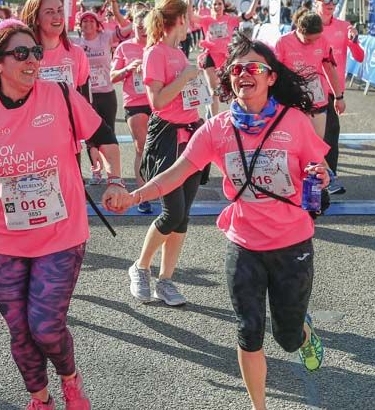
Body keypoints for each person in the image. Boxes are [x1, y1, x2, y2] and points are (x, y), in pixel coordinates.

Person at [111, 36, 330, 410]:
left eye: (254, 68)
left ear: (271, 77)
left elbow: (319, 167)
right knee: (249, 332)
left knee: (288, 337)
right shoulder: (217, 128)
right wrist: (135, 196)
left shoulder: (293, 121)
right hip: (243, 244)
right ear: (229, 78)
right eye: (238, 69)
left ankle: (303, 332)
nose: (245, 74)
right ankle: (258, 406)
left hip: (292, 242)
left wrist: (320, 174)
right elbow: (176, 173)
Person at [0, 19, 128, 410]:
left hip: (61, 232)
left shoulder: (59, 95)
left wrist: (116, 180)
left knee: (45, 326)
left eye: (35, 52)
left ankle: (70, 379)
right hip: (2, 236)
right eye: (20, 53)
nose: (31, 60)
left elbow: (103, 134)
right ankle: (40, 399)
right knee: (20, 331)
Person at [129, 0, 210, 307]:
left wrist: (194, 81)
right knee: (172, 211)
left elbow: (188, 94)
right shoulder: (155, 53)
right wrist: (185, 77)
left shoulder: (178, 52)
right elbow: (158, 103)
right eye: (187, 17)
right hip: (167, 138)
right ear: (178, 21)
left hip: (192, 135)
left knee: (183, 215)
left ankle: (166, 280)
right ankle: (140, 267)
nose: (190, 23)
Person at [71, 5, 132, 183]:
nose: (88, 24)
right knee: (90, 135)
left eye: (92, 21)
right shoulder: (75, 43)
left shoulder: (106, 37)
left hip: (106, 92)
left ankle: (112, 172)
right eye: (84, 21)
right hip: (85, 95)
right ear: (80, 25)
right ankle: (95, 172)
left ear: (98, 24)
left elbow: (128, 29)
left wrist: (119, 6)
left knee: (109, 133)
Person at [313, 0, 364, 189]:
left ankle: (330, 179)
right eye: (325, 0)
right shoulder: (309, 25)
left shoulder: (344, 27)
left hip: (334, 91)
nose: (330, 5)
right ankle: (313, 177)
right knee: (314, 137)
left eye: (334, 1)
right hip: (313, 90)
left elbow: (360, 57)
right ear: (316, 1)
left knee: (332, 136)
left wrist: (355, 40)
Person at [275, 10, 343, 141]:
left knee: (316, 143)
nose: (312, 43)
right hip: (291, 100)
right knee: (292, 142)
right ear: (299, 29)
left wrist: (338, 97)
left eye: (316, 39)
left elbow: (330, 69)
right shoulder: (283, 42)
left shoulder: (323, 41)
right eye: (308, 39)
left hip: (316, 99)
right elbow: (274, 74)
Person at [111, 10, 154, 213]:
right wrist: (128, 68)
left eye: (146, 28)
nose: (143, 32)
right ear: (133, 26)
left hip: (159, 102)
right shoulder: (124, 47)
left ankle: (161, 188)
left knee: (161, 150)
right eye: (139, 28)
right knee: (141, 147)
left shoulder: (158, 45)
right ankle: (143, 194)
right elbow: (112, 77)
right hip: (135, 103)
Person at [198, 0, 261, 116]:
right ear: (211, 7)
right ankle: (213, 119)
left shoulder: (231, 20)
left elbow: (248, 15)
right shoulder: (206, 20)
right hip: (210, 56)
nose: (217, 6)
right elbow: (190, 17)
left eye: (219, 4)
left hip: (227, 57)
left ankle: (234, 116)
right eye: (214, 4)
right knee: (214, 89)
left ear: (223, 6)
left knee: (233, 88)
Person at [21, 0, 89, 96]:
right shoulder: (24, 56)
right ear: (36, 19)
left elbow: (85, 98)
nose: (57, 17)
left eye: (60, 10)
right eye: (49, 12)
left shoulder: (77, 53)